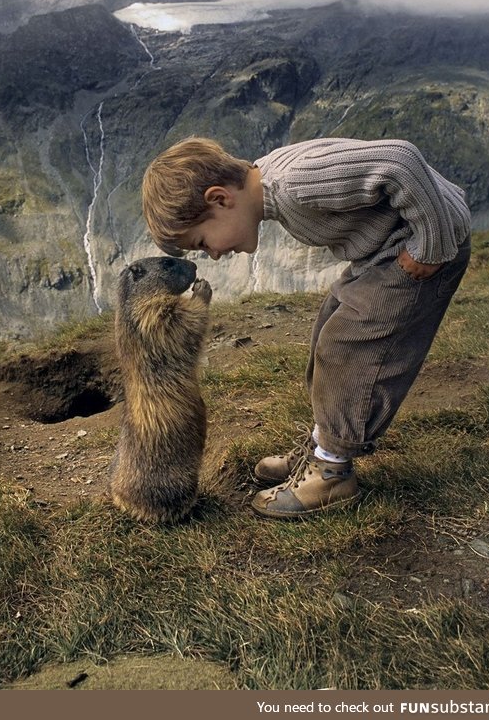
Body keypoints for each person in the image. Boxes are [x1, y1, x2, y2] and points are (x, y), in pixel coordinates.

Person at [141, 136, 471, 519]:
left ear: (219, 199)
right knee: (327, 333)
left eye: (202, 242)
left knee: (348, 348)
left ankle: (332, 471)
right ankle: (321, 447)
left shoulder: (297, 183)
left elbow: (399, 159)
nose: (213, 254)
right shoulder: (271, 183)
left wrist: (430, 244)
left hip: (420, 248)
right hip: (384, 251)